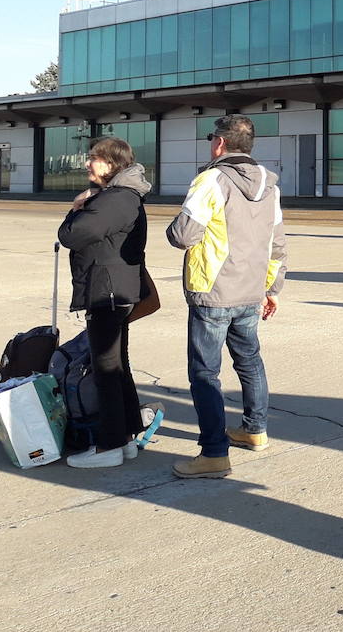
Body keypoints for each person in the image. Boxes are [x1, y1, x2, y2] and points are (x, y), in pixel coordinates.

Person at [166, 114, 286, 479]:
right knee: (249, 361)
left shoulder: (211, 179)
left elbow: (183, 235)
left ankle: (215, 453)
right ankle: (255, 430)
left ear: (219, 143)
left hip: (214, 290)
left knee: (204, 373)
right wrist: (272, 289)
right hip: (251, 290)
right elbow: (277, 244)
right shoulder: (271, 185)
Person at [56, 136, 152, 469]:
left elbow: (71, 236)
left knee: (106, 368)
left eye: (93, 158)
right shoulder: (123, 197)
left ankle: (109, 445)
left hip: (107, 291)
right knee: (116, 365)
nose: (87, 164)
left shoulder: (115, 199)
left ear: (111, 164)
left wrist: (76, 207)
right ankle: (125, 437)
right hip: (117, 289)